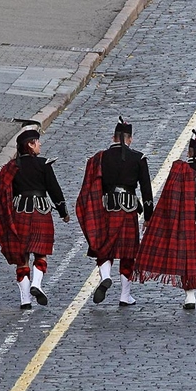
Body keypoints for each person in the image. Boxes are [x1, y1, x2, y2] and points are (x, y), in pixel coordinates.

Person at [133, 129, 196, 309]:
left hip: (185, 220)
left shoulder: (178, 170)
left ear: (188, 153)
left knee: (188, 258)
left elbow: (168, 198)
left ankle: (190, 297)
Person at [0, 121, 70, 309]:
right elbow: (54, 190)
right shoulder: (43, 164)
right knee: (41, 253)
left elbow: (2, 195)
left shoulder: (10, 167)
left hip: (19, 214)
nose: (40, 145)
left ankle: (25, 300)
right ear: (31, 145)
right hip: (41, 212)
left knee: (22, 257)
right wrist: (63, 212)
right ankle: (37, 284)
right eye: (38, 142)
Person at [76, 116, 154, 305]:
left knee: (104, 245)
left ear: (113, 137)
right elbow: (146, 191)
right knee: (128, 254)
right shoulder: (138, 158)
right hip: (128, 210)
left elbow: (93, 186)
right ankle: (125, 296)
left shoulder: (100, 158)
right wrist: (148, 217)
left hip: (107, 208)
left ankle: (105, 277)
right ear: (130, 138)